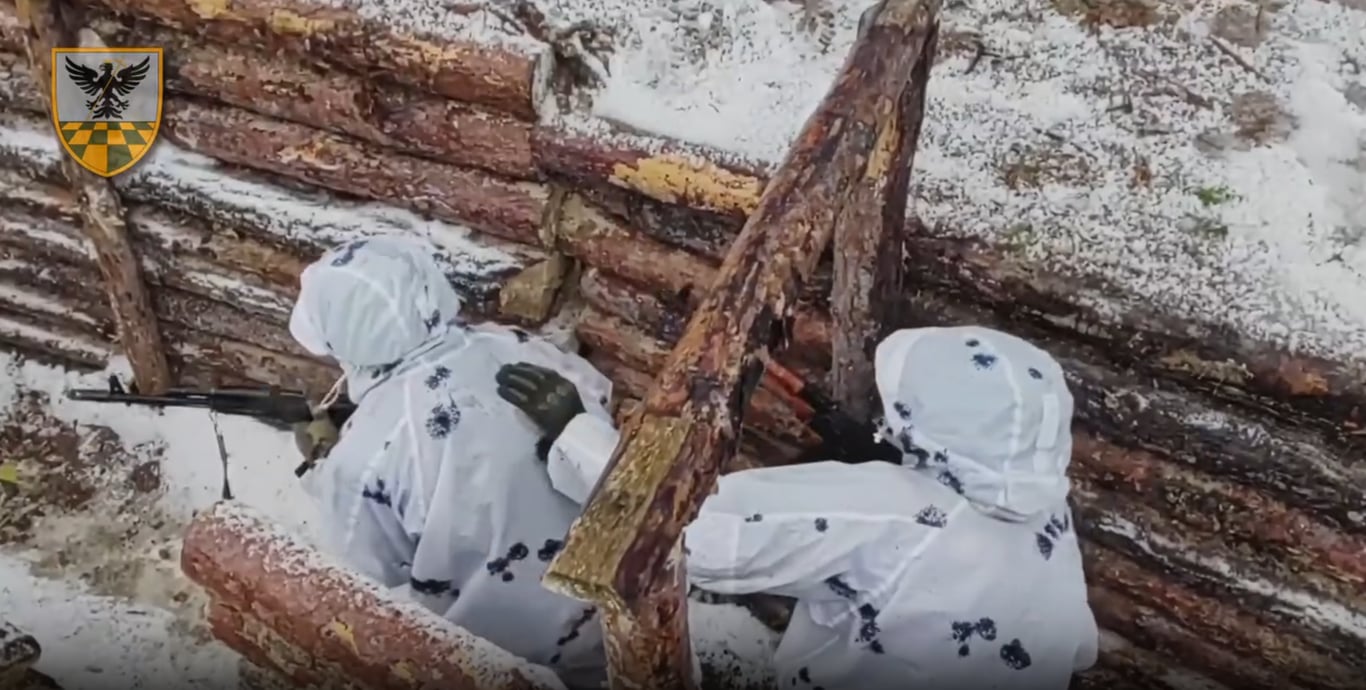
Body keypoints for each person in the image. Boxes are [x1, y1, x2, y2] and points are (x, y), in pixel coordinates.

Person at [504, 326, 1099, 690]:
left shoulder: (889, 512)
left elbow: (696, 536)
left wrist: (577, 434)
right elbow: (1077, 648)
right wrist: (899, 456)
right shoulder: (1042, 503)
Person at [286, 236, 614, 688]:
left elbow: (363, 580)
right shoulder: (515, 345)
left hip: (498, 661)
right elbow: (598, 401)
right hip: (610, 617)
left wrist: (325, 464)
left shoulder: (361, 460)